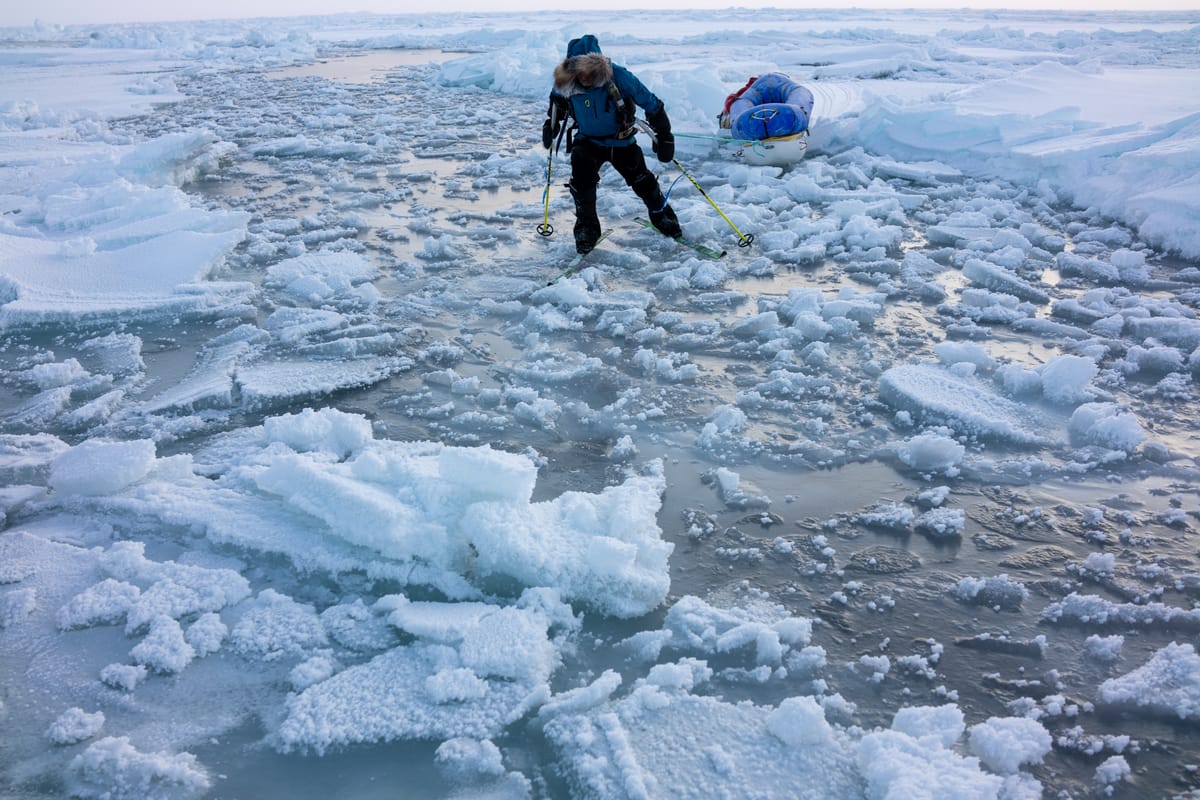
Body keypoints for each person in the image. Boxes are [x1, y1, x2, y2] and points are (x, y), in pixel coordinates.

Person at [542, 34, 682, 255]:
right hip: (587, 142)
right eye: (579, 71)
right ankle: (587, 229)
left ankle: (662, 216)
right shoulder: (565, 82)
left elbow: (650, 101)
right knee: (581, 184)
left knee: (643, 182)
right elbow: (556, 107)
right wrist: (551, 126)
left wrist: (664, 134)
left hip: (621, 141)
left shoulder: (618, 76)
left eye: (589, 70)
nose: (584, 76)